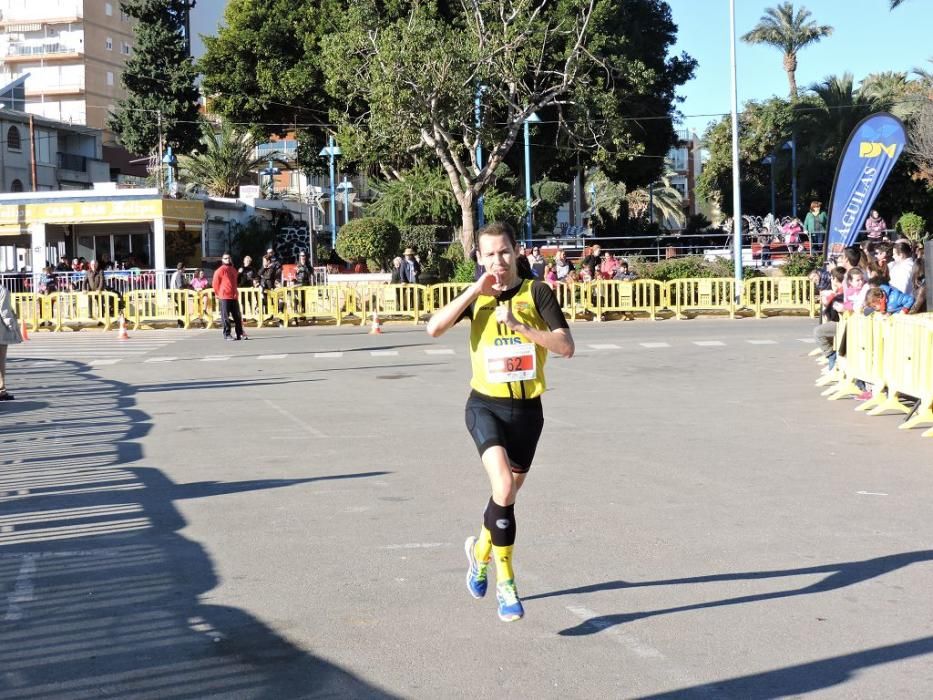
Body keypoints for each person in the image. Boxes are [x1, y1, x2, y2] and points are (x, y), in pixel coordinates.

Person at [426, 221, 575, 623]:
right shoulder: (477, 297)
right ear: (479, 257)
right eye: (489, 254)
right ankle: (507, 584)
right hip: (485, 406)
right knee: (505, 486)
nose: (498, 260)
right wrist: (475, 290)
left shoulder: (537, 292)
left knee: (503, 498)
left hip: (528, 413)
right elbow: (433, 328)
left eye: (504, 252)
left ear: (516, 252)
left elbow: (566, 347)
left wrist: (522, 327)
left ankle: (479, 555)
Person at [212, 252, 247, 341]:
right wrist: (218, 294)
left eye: (229, 258)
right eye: (225, 258)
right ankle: (227, 334)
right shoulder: (220, 270)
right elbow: (215, 284)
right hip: (224, 296)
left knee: (237, 316)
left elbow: (236, 282)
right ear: (222, 260)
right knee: (226, 317)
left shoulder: (233, 269)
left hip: (234, 296)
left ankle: (239, 333)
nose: (227, 260)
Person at [0, 285, 23, 401]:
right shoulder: (3, 291)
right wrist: (12, 326)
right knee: (1, 360)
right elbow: (5, 311)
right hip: (1, 331)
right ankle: (1, 390)